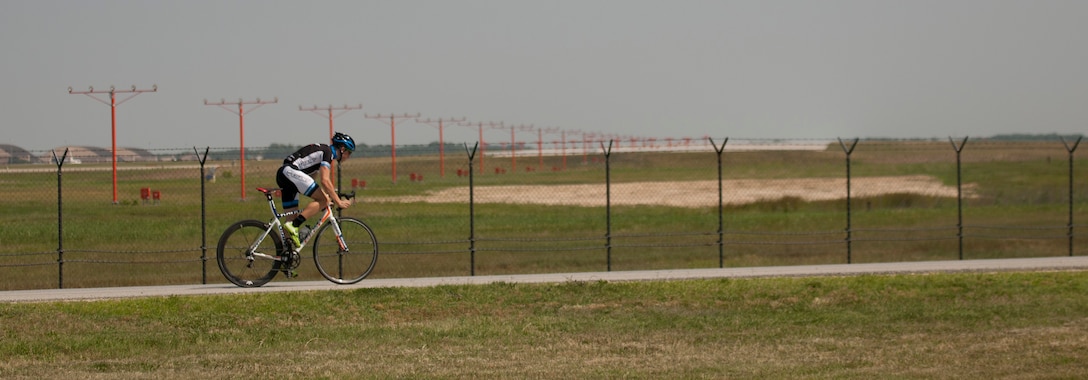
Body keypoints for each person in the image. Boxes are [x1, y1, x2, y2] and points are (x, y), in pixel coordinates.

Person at [276, 132, 356, 249]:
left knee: (291, 219)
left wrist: (328, 195)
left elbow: (311, 182)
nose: (349, 156)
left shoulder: (321, 154)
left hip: (285, 174)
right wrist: (338, 201)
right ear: (342, 149)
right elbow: (325, 181)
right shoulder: (328, 153)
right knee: (322, 201)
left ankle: (285, 257)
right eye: (349, 153)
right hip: (290, 173)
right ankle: (295, 225)